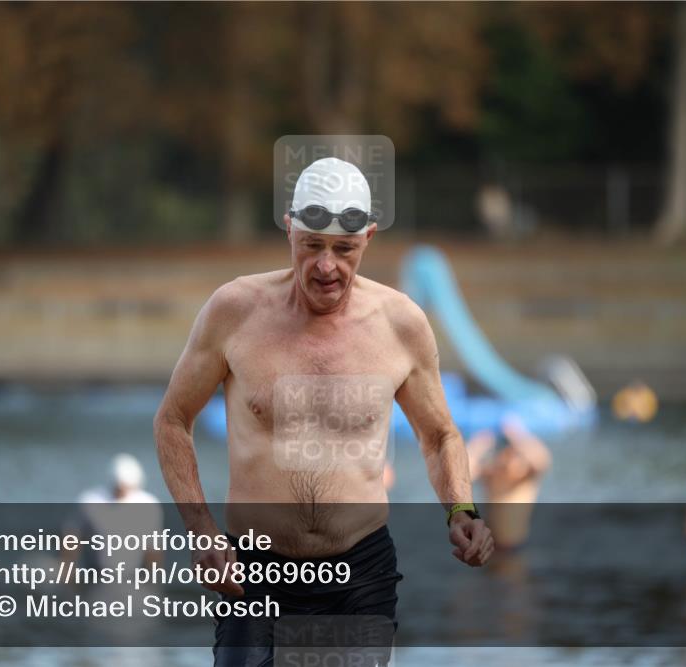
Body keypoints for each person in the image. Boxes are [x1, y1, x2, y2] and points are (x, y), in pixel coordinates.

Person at [154, 157, 493, 666]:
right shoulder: (234, 310)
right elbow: (172, 420)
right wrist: (203, 534)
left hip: (359, 573)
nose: (327, 266)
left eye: (344, 249)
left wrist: (461, 509)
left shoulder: (400, 324)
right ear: (290, 229)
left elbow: (440, 434)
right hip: (254, 573)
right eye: (312, 246)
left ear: (369, 239)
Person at [465, 417, 552, 551]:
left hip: (513, 546)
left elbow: (542, 460)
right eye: (505, 452)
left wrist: (519, 435)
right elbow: (463, 474)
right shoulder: (493, 474)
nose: (507, 456)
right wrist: (478, 445)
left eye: (514, 454)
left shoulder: (523, 479)